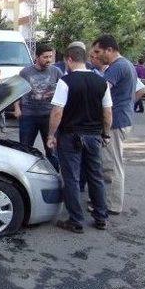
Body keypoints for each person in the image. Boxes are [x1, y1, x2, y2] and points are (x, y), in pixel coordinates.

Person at [47, 44, 113, 233]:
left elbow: (57, 111)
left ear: (69, 59)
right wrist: (105, 134)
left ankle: (76, 220)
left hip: (70, 136)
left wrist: (51, 135)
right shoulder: (101, 82)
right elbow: (107, 113)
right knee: (96, 176)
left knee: (72, 178)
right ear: (84, 59)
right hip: (93, 136)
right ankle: (101, 217)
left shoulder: (65, 81)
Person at [91, 34, 137, 215]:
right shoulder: (124, 65)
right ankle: (105, 200)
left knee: (112, 165)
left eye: (98, 51)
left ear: (109, 50)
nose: (96, 55)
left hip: (116, 122)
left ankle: (111, 205)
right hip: (121, 120)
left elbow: (100, 91)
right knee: (109, 163)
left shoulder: (117, 67)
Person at [13, 43, 63, 171]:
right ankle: (23, 175)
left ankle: (54, 176)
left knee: (52, 150)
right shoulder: (25, 72)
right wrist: (17, 108)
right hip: (29, 116)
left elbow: (63, 92)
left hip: (48, 116)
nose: (49, 60)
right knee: (24, 149)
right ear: (37, 57)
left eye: (50, 57)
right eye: (45, 57)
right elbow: (17, 91)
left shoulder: (56, 72)